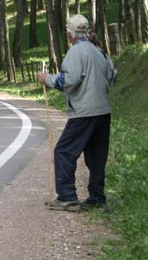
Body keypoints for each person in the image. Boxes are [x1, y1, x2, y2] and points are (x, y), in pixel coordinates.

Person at [38, 14, 118, 212]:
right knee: (96, 155)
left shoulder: (76, 52)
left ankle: (67, 197)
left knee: (64, 151)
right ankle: (97, 198)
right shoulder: (99, 51)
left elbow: (69, 80)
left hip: (83, 111)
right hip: (103, 112)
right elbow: (112, 76)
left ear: (70, 34)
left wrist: (47, 78)